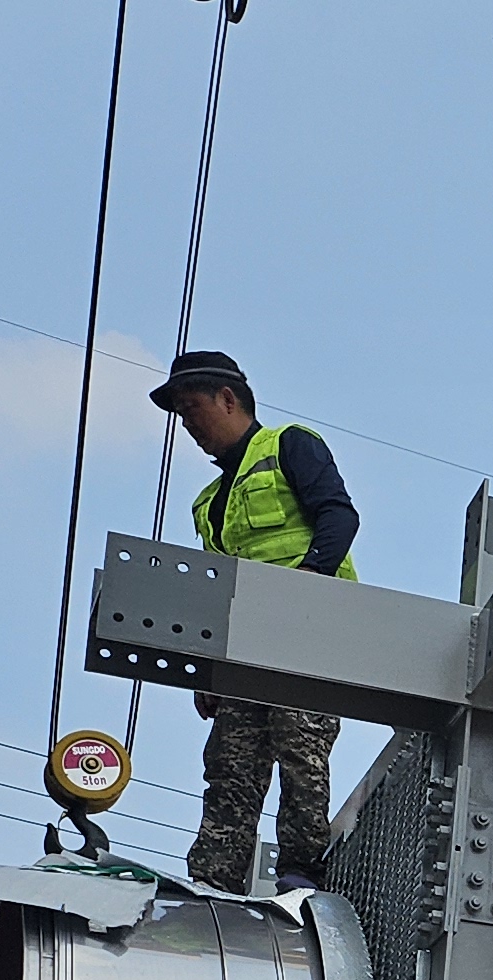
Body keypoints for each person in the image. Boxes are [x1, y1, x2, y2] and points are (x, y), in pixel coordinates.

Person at [151, 350, 361, 894]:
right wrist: (208, 670)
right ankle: (213, 884)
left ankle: (300, 876)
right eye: (180, 414)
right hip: (245, 651)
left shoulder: (288, 445)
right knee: (230, 764)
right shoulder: (209, 502)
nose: (187, 424)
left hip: (310, 634)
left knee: (300, 751)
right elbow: (214, 591)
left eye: (191, 408)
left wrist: (306, 584)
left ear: (227, 399)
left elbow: (338, 516)